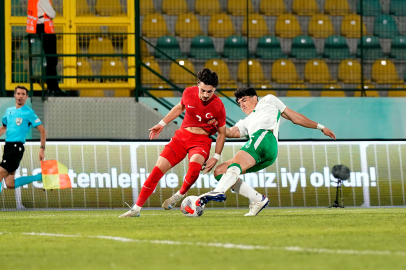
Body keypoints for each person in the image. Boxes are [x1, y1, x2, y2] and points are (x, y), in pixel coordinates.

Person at [197, 87, 336, 216]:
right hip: (266, 155)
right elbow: (229, 132)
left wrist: (321, 127)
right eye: (239, 103)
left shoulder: (268, 100)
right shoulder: (246, 121)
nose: (242, 105)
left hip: (265, 137)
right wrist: (216, 125)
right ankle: (258, 199)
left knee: (237, 161)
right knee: (220, 171)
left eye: (244, 100)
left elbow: (295, 117)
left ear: (255, 98)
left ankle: (219, 191)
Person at [120, 68, 227, 217]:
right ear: (198, 85)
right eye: (203, 90)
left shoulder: (218, 106)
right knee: (157, 171)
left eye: (210, 92)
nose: (205, 95)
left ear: (214, 89)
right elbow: (180, 107)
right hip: (181, 137)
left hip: (201, 141)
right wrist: (162, 124)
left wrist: (216, 156)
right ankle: (136, 209)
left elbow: (222, 132)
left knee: (195, 167)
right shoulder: (188, 93)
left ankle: (179, 194)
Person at [0, 86, 46, 194]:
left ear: (26, 97)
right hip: (8, 147)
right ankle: (39, 177)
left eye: (23, 94)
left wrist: (42, 148)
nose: (20, 96)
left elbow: (42, 131)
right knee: (10, 183)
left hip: (16, 148)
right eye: (18, 93)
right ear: (15, 95)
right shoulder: (9, 111)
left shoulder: (29, 112)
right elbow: (4, 128)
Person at [26, 0, 65, 96]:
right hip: (45, 29)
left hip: (40, 27)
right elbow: (52, 14)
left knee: (50, 59)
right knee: (52, 59)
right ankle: (53, 88)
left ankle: (52, 87)